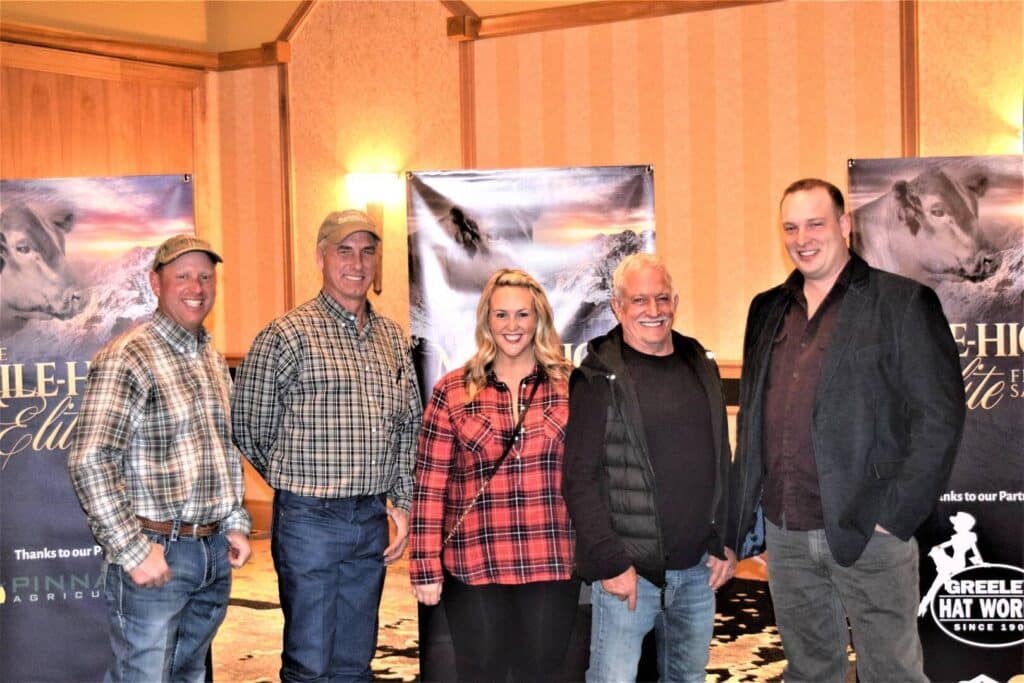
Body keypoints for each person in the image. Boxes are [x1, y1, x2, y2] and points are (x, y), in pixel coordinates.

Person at [731, 178, 965, 683]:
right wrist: (748, 517)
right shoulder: (765, 309)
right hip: (787, 533)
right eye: (790, 227)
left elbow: (939, 418)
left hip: (870, 531)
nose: (802, 237)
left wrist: (893, 516)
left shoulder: (901, 303)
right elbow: (753, 417)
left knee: (892, 673)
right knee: (810, 672)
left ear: (843, 224)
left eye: (816, 223)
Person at [232, 209, 422, 682]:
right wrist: (296, 478)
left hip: (371, 517)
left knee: (355, 661)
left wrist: (401, 501)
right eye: (344, 250)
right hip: (310, 520)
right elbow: (249, 425)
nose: (357, 262)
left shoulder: (393, 338)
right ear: (321, 257)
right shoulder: (287, 335)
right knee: (310, 661)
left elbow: (407, 424)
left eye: (367, 251)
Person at [68, 234, 252, 682]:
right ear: (155, 282)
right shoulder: (128, 356)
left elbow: (220, 449)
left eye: (206, 277)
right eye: (183, 276)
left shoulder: (206, 352)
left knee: (187, 674)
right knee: (144, 677)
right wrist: (132, 551)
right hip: (158, 551)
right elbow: (90, 459)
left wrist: (234, 522)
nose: (197, 286)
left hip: (211, 553)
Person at [563, 252, 736, 683]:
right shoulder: (597, 379)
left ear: (675, 301)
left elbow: (721, 462)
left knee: (687, 678)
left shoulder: (701, 364)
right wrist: (610, 561)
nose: (654, 310)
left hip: (697, 572)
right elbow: (578, 479)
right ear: (618, 307)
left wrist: (727, 541)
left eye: (662, 298)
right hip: (629, 577)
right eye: (640, 301)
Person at [408, 268, 579, 682]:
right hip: (476, 562)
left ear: (539, 319)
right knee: (480, 674)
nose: (512, 325)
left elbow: (592, 477)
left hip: (550, 560)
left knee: (542, 674)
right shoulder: (453, 390)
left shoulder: (572, 386)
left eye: (523, 314)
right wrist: (424, 566)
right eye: (501, 315)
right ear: (486, 320)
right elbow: (430, 485)